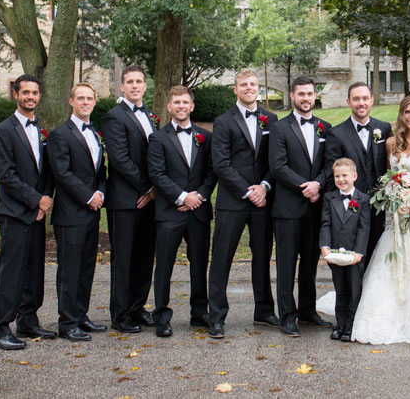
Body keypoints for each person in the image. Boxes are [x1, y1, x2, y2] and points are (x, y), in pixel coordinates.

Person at [351, 95, 410, 345]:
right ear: (402, 115)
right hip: (396, 214)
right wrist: (396, 195)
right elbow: (388, 178)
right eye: (407, 112)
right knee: (391, 256)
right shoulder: (391, 143)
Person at [208, 68, 279, 339]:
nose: (249, 88)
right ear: (235, 90)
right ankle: (216, 316)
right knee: (221, 258)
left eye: (253, 84)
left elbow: (275, 160)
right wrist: (247, 191)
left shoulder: (271, 119)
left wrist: (264, 186)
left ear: (258, 88)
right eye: (244, 84)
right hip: (232, 201)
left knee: (262, 256)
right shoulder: (223, 122)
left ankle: (264, 310)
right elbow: (221, 163)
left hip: (262, 201)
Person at [0, 75, 55, 350]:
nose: (31, 97)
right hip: (14, 212)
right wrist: (36, 200)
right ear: (15, 94)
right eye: (25, 92)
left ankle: (28, 320)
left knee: (34, 270)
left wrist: (46, 200)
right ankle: (0, 328)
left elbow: (47, 171)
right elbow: (6, 176)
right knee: (12, 271)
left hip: (37, 211)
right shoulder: (3, 130)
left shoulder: (41, 131)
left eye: (35, 92)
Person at [147, 86, 216, 337]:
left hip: (198, 211)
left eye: (185, 102)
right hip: (170, 211)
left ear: (192, 106)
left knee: (199, 263)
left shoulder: (205, 137)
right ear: (169, 107)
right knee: (164, 265)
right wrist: (182, 197)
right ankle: (161, 316)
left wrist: (199, 196)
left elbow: (212, 172)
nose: (181, 106)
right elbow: (157, 174)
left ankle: (199, 312)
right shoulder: (157, 138)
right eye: (176, 102)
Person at [269, 75, 333, 337]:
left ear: (315, 96)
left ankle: (308, 311)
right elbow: (278, 165)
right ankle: (287, 316)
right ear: (292, 96)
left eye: (309, 93)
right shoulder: (279, 128)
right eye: (301, 94)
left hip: (315, 207)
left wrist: (318, 184)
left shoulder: (325, 127)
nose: (306, 98)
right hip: (287, 207)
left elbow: (330, 164)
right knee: (286, 264)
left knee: (310, 262)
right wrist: (305, 186)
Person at [101, 65, 157, 333]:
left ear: (145, 86)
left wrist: (155, 191)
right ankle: (120, 313)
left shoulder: (150, 116)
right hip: (125, 200)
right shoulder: (114, 117)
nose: (135, 86)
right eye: (130, 82)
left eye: (139, 81)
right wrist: (147, 187)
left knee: (144, 257)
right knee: (123, 259)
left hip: (150, 200)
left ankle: (137, 307)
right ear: (122, 87)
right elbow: (120, 160)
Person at [49, 83, 107, 342]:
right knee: (70, 270)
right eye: (80, 98)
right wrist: (88, 196)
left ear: (94, 102)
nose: (85, 102)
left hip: (92, 212)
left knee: (86, 268)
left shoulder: (95, 133)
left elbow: (100, 170)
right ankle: (67, 322)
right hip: (70, 213)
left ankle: (81, 315)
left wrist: (101, 192)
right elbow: (62, 173)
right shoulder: (60, 134)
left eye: (90, 98)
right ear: (71, 101)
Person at [323, 82, 392, 259]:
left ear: (372, 100)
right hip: (351, 207)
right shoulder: (336, 133)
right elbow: (331, 174)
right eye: (356, 99)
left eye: (365, 98)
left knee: (377, 256)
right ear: (348, 102)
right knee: (353, 258)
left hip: (379, 206)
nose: (361, 103)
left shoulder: (384, 129)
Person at [319, 158, 371, 343]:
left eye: (344, 175)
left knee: (354, 290)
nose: (341, 179)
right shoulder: (329, 197)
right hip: (335, 253)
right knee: (340, 289)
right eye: (337, 176)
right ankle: (339, 325)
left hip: (355, 255)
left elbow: (364, 228)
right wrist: (324, 246)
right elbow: (325, 223)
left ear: (354, 176)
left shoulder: (363, 199)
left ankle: (350, 326)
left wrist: (359, 252)